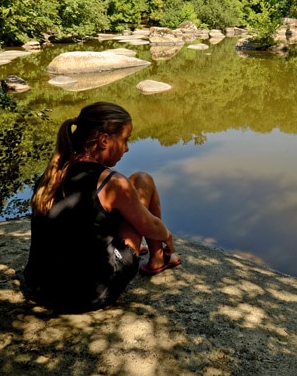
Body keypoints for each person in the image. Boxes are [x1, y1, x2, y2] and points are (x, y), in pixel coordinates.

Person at [24, 101, 181, 312]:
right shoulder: (111, 183)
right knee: (142, 180)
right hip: (88, 294)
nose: (126, 148)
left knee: (125, 194)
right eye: (125, 140)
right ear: (104, 140)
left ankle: (153, 257)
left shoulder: (52, 174)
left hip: (40, 288)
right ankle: (158, 258)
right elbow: (150, 226)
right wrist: (167, 236)